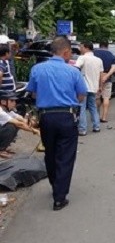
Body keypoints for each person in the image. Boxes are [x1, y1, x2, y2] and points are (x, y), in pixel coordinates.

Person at [27, 36, 88, 211]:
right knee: (66, 156)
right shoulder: (73, 71)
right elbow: (82, 95)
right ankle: (59, 197)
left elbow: (32, 93)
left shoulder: (37, 69)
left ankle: (55, 184)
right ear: (66, 51)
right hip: (66, 117)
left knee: (50, 153)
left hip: (46, 117)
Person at [75, 41, 104, 136]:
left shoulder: (82, 58)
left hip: (83, 87)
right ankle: (97, 126)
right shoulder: (98, 60)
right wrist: (100, 86)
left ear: (86, 47)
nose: (80, 49)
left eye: (81, 47)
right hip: (94, 87)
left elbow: (75, 69)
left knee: (82, 107)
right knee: (93, 107)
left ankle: (82, 129)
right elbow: (101, 74)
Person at [0, 90, 39, 158]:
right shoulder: (1, 112)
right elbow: (19, 124)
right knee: (11, 127)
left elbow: (21, 119)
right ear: (3, 102)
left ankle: (3, 148)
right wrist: (35, 130)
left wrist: (30, 120)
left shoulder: (7, 110)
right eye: (12, 101)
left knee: (14, 126)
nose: (14, 103)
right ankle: (1, 150)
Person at [94, 41, 115, 123]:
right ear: (107, 46)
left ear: (99, 45)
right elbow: (114, 67)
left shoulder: (94, 53)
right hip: (107, 79)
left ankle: (96, 116)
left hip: (96, 79)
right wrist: (107, 76)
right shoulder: (111, 55)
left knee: (97, 97)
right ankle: (104, 117)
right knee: (106, 98)